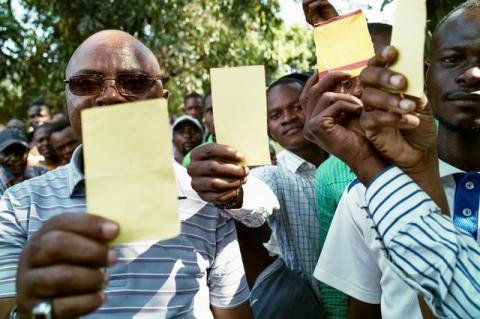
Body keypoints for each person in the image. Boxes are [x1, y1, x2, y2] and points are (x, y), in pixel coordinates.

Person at [0, 30, 253, 319]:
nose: (109, 96)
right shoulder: (20, 205)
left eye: (133, 82)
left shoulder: (205, 198)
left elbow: (233, 312)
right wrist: (36, 311)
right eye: (85, 83)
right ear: (67, 99)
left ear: (163, 100)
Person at [303, 1, 480, 318]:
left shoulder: (378, 182)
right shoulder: (363, 195)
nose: (473, 74)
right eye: (453, 59)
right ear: (426, 75)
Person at [188, 73, 329, 319]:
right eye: (275, 115)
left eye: (297, 107)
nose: (288, 118)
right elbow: (255, 196)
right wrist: (232, 192)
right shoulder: (274, 175)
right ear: (268, 128)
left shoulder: (349, 163)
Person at [0, 129, 46, 196]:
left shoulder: (42, 173)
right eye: (7, 152)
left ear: (28, 151)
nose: (14, 158)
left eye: (19, 151)